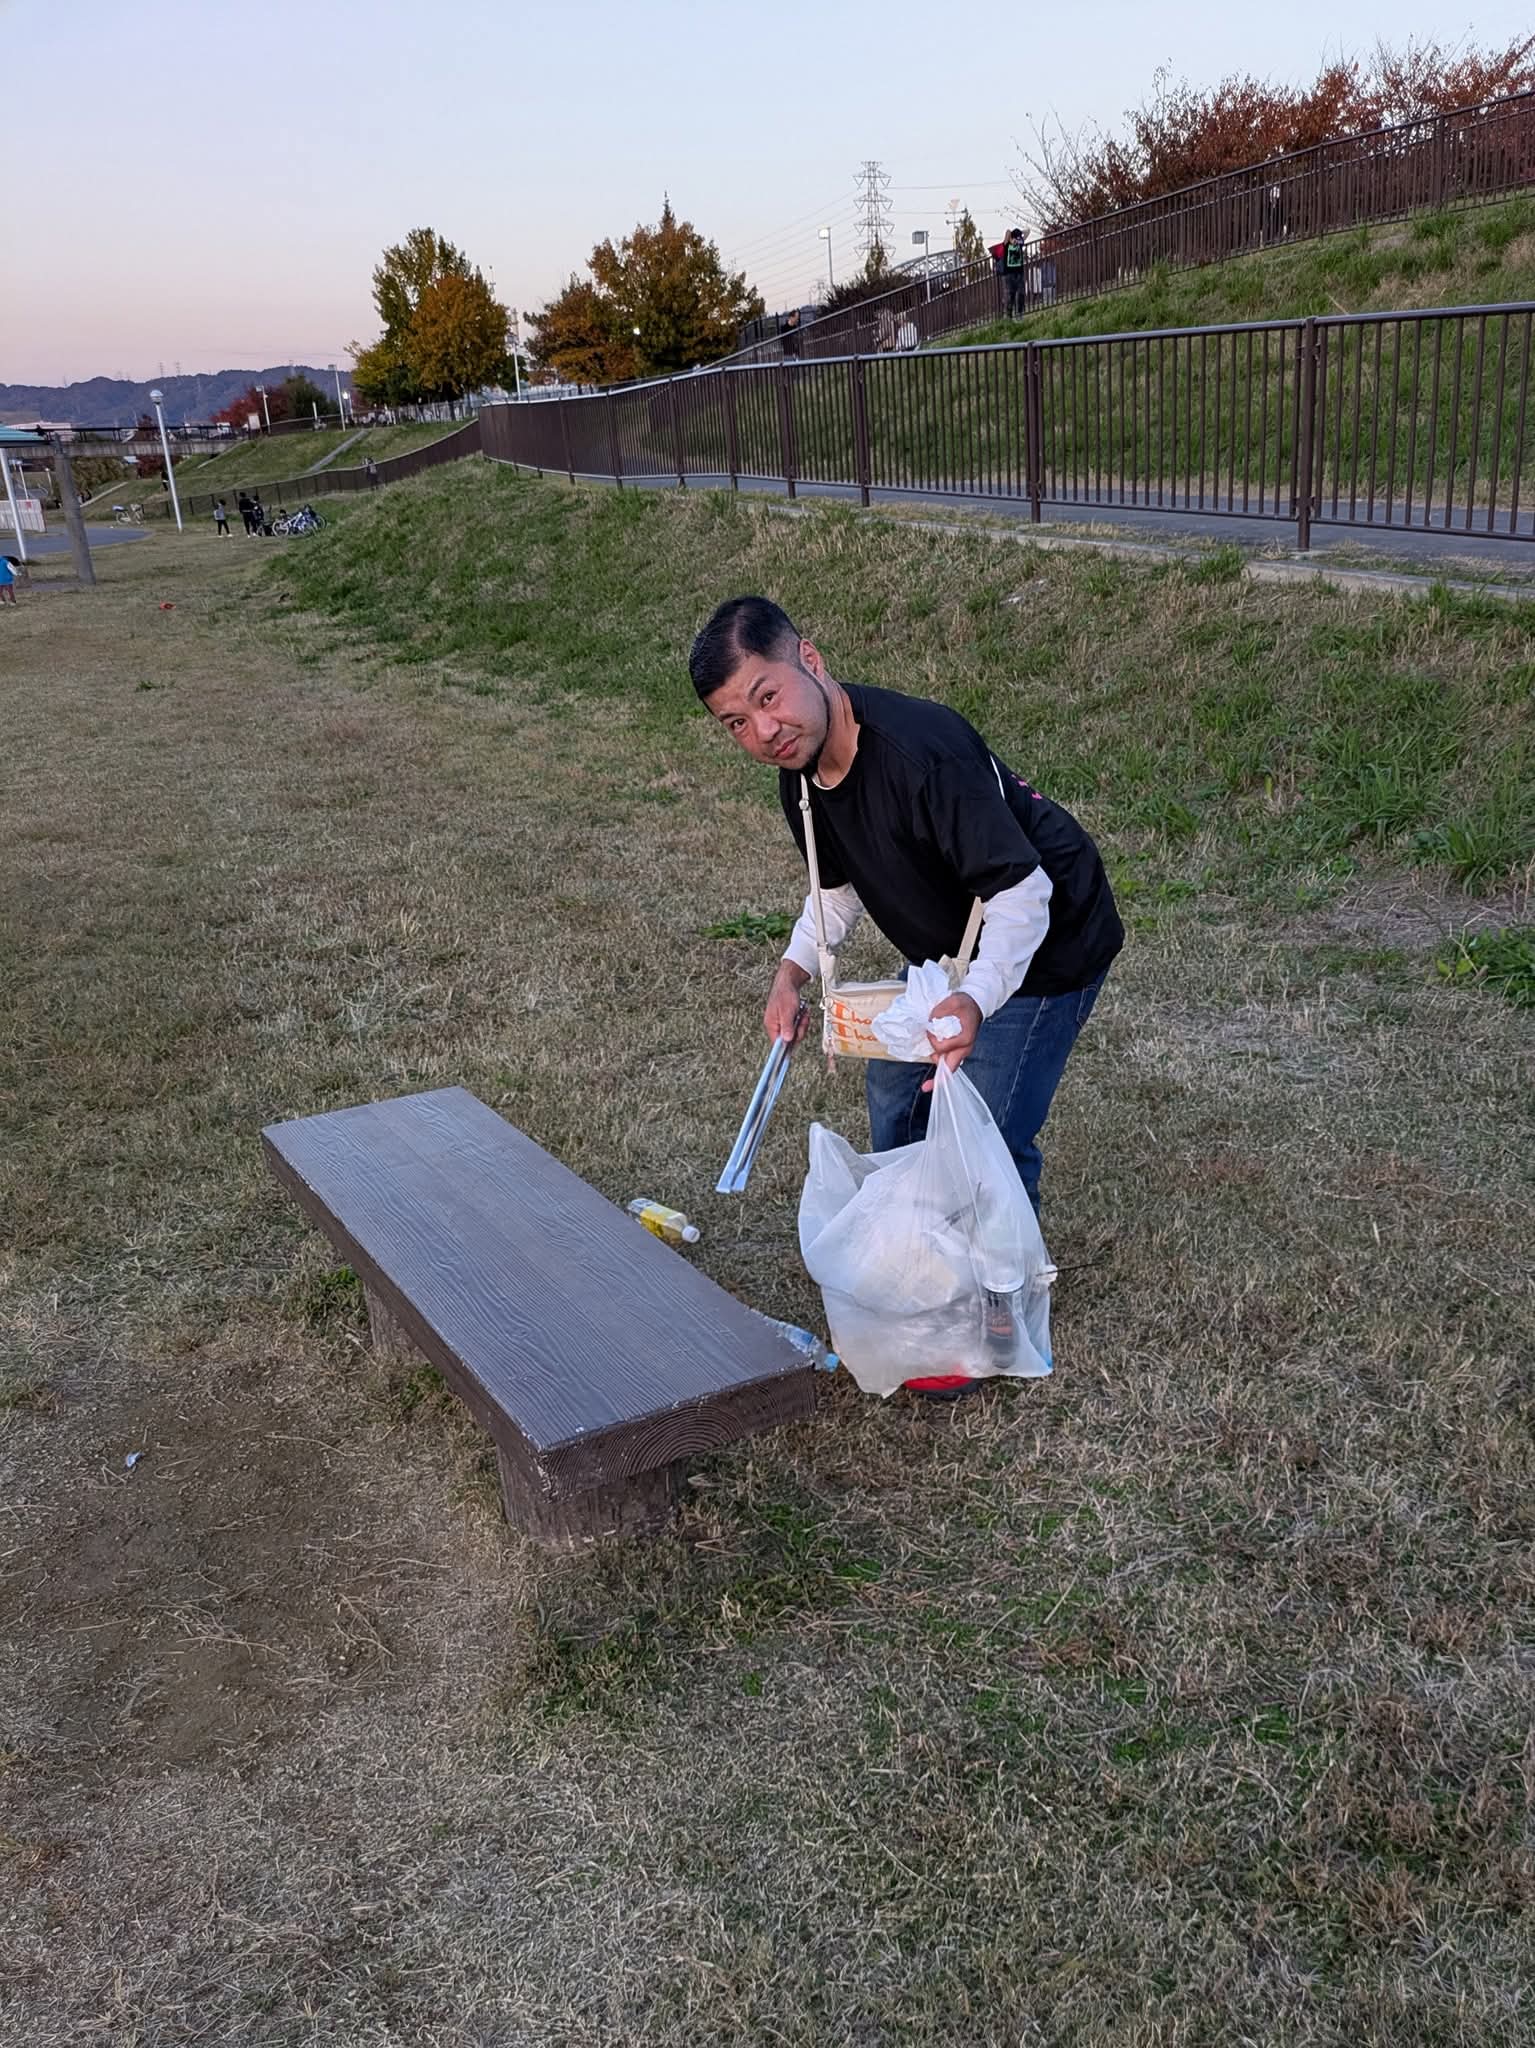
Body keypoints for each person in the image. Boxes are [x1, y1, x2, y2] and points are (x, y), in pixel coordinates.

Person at [689, 595, 1123, 1396]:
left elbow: (1022, 894)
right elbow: (836, 890)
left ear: (809, 661)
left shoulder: (924, 752)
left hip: (1046, 941)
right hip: (946, 952)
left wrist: (976, 1001)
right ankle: (915, 1270)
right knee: (895, 1094)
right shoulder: (801, 781)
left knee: (986, 1126)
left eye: (767, 696)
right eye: (736, 723)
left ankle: (994, 1313)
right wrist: (789, 971)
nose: (764, 730)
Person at [1002, 228, 1029, 315]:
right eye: (1015, 238)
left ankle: (1020, 312)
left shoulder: (1020, 243)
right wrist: (1010, 239)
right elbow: (1008, 231)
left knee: (1021, 293)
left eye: (1018, 239)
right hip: (1009, 274)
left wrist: (1021, 234)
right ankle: (1009, 315)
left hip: (1019, 272)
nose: (1016, 241)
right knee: (1010, 295)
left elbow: (1028, 231)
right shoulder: (1006, 244)